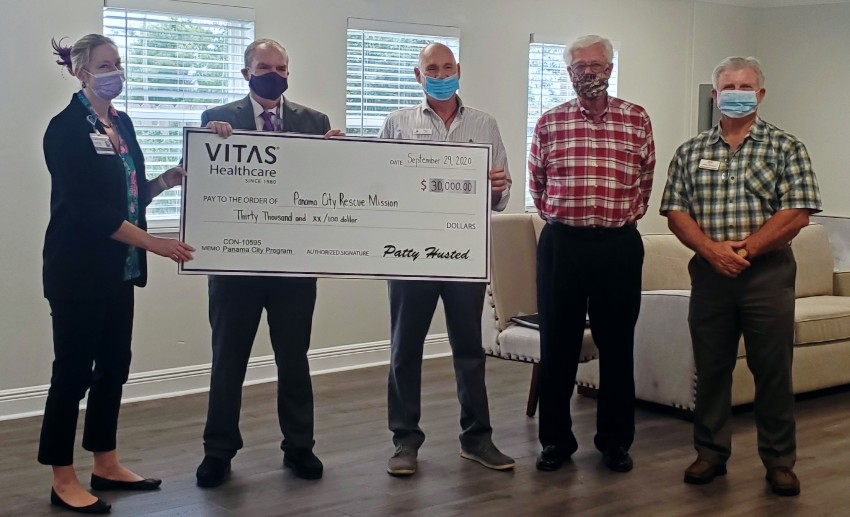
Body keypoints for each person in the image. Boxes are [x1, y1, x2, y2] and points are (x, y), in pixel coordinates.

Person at [41, 35, 195, 514]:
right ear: (80, 72)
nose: (115, 72)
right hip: (78, 272)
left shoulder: (121, 123)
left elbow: (128, 197)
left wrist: (164, 182)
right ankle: (62, 478)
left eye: (118, 63)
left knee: (114, 368)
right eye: (105, 65)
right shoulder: (64, 129)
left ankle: (104, 463)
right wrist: (158, 245)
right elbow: (89, 211)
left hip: (120, 271)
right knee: (72, 374)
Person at [660, 56, 821, 497]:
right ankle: (710, 453)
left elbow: (797, 213)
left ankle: (779, 461)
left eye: (745, 86)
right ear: (715, 95)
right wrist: (712, 251)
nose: (736, 92)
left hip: (766, 275)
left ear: (761, 94)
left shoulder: (787, 147)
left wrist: (744, 250)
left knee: (773, 370)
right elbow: (675, 212)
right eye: (727, 86)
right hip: (710, 275)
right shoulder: (691, 151)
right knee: (711, 369)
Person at [195, 38, 340, 487]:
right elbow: (203, 181)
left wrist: (343, 155)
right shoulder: (217, 120)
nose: (274, 74)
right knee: (228, 361)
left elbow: (330, 188)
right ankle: (218, 451)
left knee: (294, 359)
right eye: (264, 67)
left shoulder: (315, 123)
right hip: (235, 268)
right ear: (246, 73)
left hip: (294, 268)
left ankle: (300, 447)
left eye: (282, 67)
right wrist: (209, 144)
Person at [378, 42, 515, 477]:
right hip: (410, 257)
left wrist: (495, 187)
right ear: (417, 76)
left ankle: (477, 439)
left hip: (464, 255)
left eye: (447, 66)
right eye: (431, 68)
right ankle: (405, 442)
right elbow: (378, 187)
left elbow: (502, 197)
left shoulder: (484, 124)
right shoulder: (397, 123)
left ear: (459, 70)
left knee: (469, 350)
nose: (440, 73)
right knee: (405, 351)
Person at [529, 34, 655, 474]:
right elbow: (538, 186)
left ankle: (616, 442)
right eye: (580, 66)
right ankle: (555, 443)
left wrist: (618, 218)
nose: (589, 71)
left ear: (610, 65)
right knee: (558, 347)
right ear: (569, 73)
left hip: (619, 247)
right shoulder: (549, 123)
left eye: (597, 63)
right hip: (563, 245)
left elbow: (644, 182)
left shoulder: (637, 120)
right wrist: (566, 218)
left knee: (618, 347)